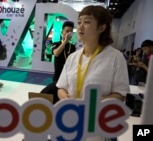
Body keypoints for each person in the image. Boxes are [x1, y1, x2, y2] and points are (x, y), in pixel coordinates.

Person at [56, 5, 130, 141]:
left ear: (102, 28)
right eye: (79, 22)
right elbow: (61, 87)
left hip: (98, 126)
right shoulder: (73, 57)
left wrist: (89, 104)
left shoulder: (115, 57)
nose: (80, 27)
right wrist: (65, 98)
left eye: (87, 22)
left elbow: (120, 95)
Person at [40, 21, 76, 104]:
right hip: (58, 76)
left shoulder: (72, 47)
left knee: (65, 97)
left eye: (71, 31)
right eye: (67, 31)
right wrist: (65, 42)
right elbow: (56, 53)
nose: (69, 33)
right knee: (54, 97)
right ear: (62, 32)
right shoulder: (56, 43)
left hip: (69, 77)